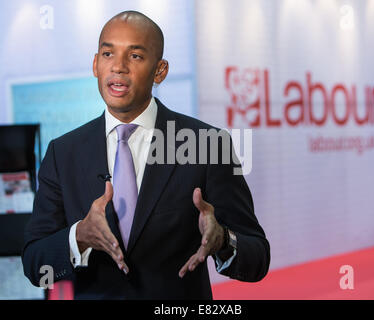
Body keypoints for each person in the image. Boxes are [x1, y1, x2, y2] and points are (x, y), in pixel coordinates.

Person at [22, 10, 270, 300]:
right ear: (95, 64)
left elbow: (258, 258)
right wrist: (79, 236)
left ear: (160, 70)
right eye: (107, 54)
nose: (118, 67)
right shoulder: (62, 153)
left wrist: (224, 241)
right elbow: (35, 264)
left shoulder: (208, 144)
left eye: (135, 56)